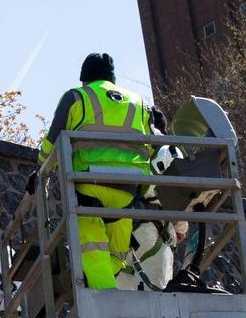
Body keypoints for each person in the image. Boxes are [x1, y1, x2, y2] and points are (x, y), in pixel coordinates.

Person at [39, 53, 163, 290]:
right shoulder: (139, 103)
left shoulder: (77, 97)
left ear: (85, 79)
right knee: (117, 253)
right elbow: (153, 144)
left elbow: (52, 142)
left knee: (92, 247)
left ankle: (107, 295)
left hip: (89, 185)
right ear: (112, 79)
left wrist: (41, 170)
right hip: (128, 191)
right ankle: (110, 282)